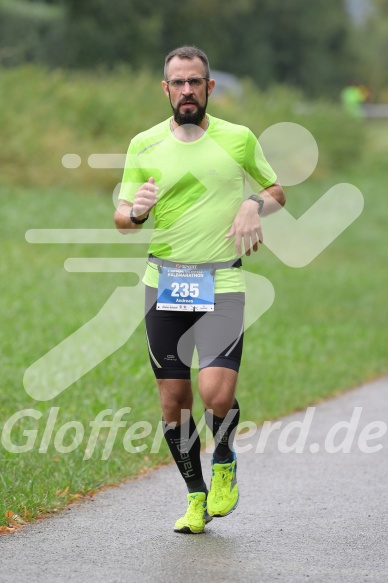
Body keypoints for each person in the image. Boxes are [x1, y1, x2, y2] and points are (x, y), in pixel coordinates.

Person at [114, 46, 285, 534]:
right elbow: (123, 218)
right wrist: (139, 211)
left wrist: (253, 203)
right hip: (163, 282)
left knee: (215, 392)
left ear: (210, 88)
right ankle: (195, 497)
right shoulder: (143, 144)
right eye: (178, 82)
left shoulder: (238, 138)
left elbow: (277, 191)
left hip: (221, 280)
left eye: (195, 82)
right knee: (173, 403)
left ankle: (225, 456)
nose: (186, 90)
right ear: (165, 89)